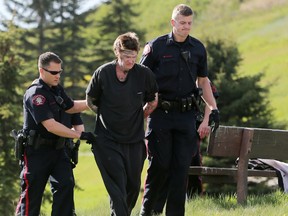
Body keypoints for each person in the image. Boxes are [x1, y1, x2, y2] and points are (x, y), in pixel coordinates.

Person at [139, 4, 219, 216]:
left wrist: (213, 107)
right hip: (161, 115)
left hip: (186, 116)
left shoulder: (198, 48)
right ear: (173, 23)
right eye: (182, 23)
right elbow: (140, 78)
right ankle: (148, 212)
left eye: (189, 23)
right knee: (159, 166)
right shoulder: (156, 47)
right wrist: (146, 103)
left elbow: (203, 82)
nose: (186, 27)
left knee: (180, 170)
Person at [85, 32, 158, 216]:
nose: (130, 60)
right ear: (117, 53)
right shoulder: (103, 73)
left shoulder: (144, 74)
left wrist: (138, 115)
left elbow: (153, 100)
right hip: (107, 140)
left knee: (133, 185)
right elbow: (90, 99)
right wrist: (105, 116)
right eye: (126, 56)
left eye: (134, 56)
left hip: (134, 140)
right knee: (117, 183)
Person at [15, 51, 96, 216]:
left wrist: (94, 102)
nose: (58, 75)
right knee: (32, 198)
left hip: (59, 151)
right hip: (37, 152)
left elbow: (70, 107)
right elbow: (50, 126)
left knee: (65, 185)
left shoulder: (56, 89)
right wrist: (79, 135)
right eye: (54, 72)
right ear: (41, 71)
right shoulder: (36, 94)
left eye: (60, 71)